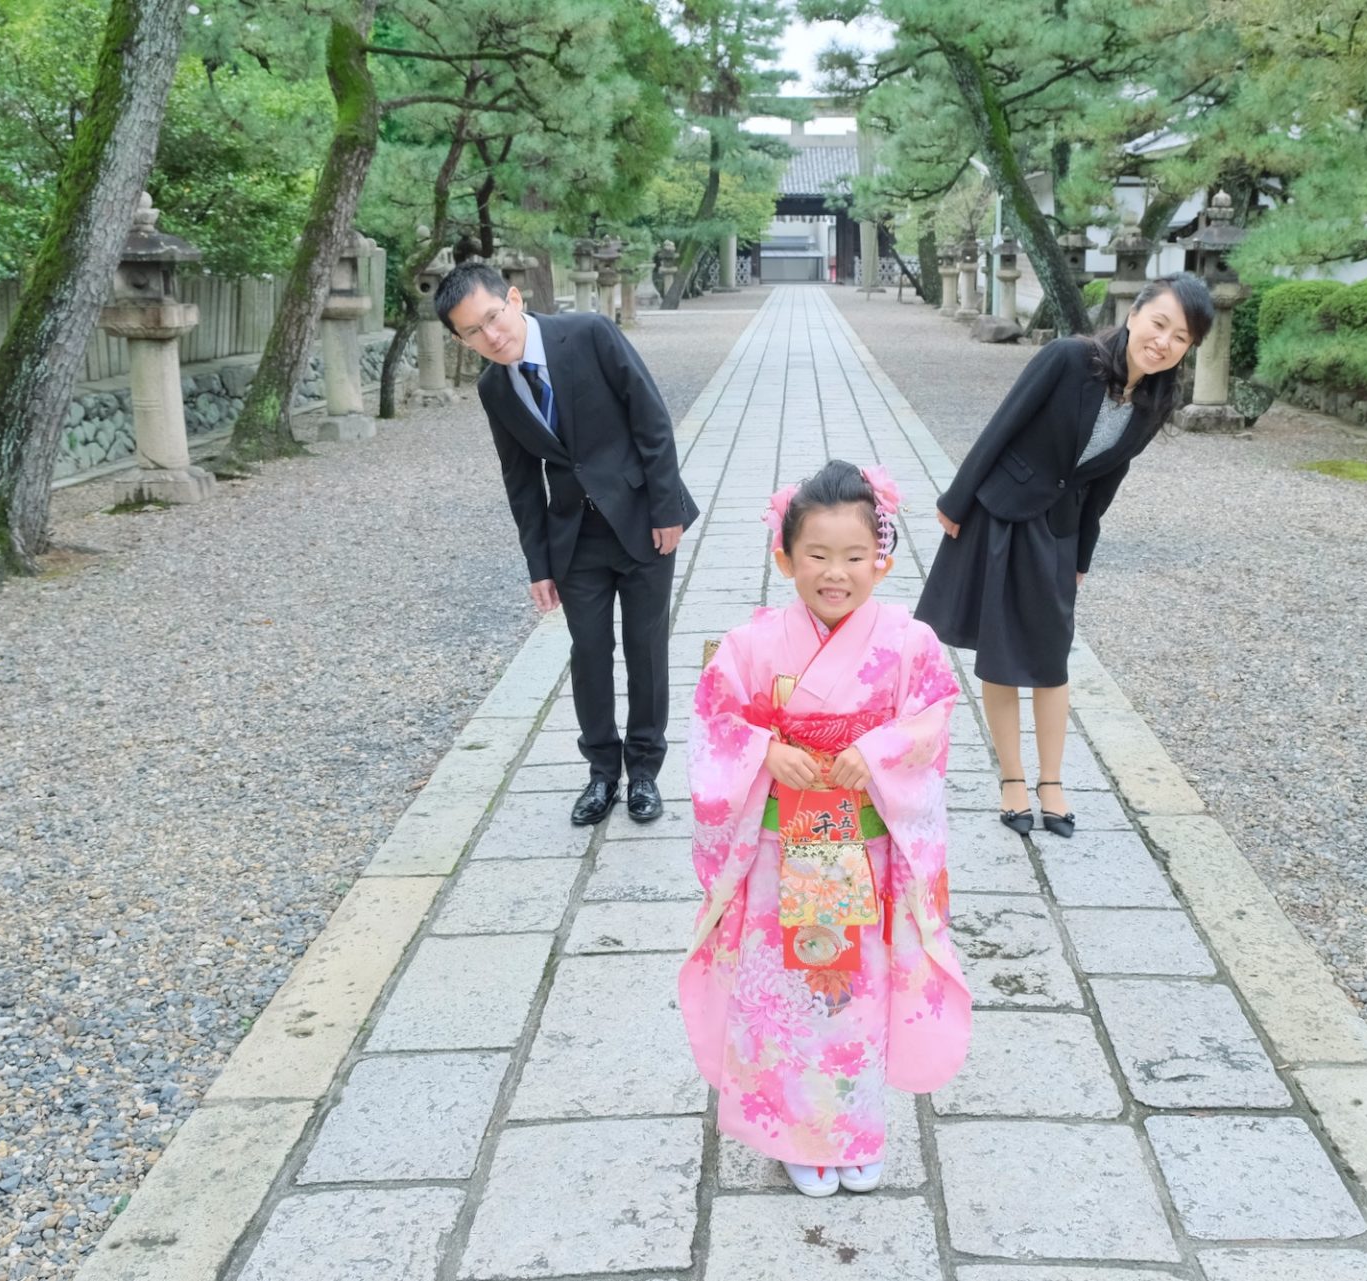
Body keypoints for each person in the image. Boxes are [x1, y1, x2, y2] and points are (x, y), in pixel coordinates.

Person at [680, 461, 971, 1198]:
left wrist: (873, 752)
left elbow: (932, 717)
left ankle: (854, 1130)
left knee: (854, 992)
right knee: (790, 993)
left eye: (853, 556)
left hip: (865, 847)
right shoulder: (751, 645)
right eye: (816, 554)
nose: (834, 573)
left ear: (884, 558)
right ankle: (792, 1132)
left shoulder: (909, 643)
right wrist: (766, 750)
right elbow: (715, 721)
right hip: (785, 849)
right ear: (784, 557)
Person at [915, 275, 1214, 837]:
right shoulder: (1068, 358)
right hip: (1002, 514)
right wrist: (955, 502)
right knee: (1001, 653)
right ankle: (1012, 782)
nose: (1163, 341)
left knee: (1051, 660)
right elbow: (1003, 424)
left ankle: (1051, 782)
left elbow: (1107, 481)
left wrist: (1082, 556)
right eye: (1159, 323)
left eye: (1180, 336)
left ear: (1188, 348)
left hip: (1058, 530)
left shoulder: (1156, 400)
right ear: (1135, 314)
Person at [435, 260, 699, 825]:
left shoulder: (588, 333)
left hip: (641, 521)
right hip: (574, 538)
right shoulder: (494, 389)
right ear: (461, 340)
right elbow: (521, 479)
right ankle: (602, 773)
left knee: (646, 649)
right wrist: (539, 565)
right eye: (473, 332)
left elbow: (650, 419)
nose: (492, 336)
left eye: (492, 317)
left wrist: (666, 507)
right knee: (589, 653)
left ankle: (645, 772)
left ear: (512, 298)